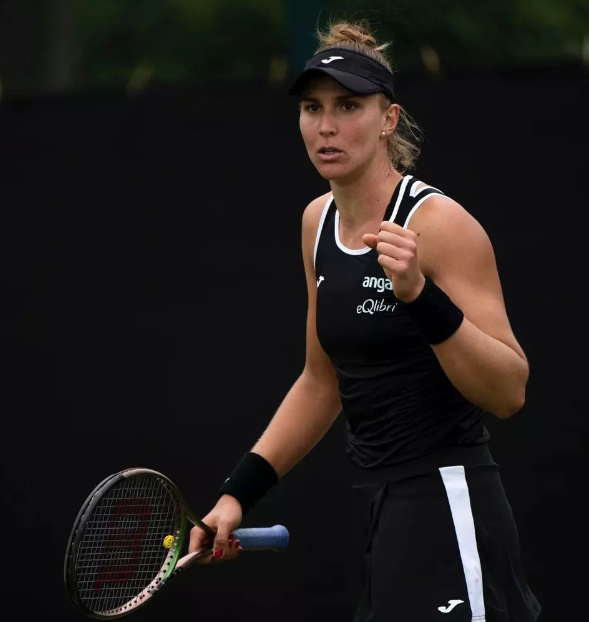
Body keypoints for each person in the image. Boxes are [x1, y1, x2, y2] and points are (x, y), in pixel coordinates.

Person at [189, 20, 541, 622]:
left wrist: (421, 295)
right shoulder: (315, 223)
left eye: (348, 105)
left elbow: (509, 390)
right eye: (312, 107)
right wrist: (235, 495)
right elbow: (321, 382)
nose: (325, 126)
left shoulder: (440, 224)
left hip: (450, 502)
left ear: (389, 119)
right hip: (381, 513)